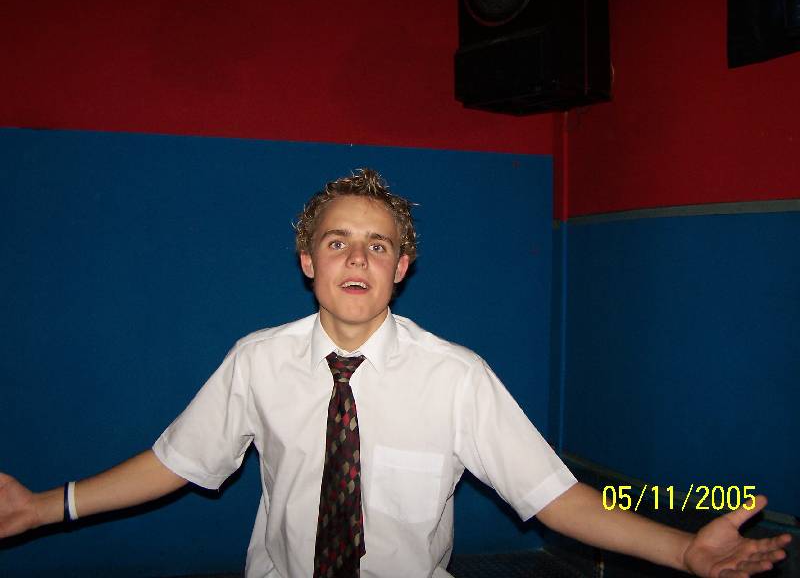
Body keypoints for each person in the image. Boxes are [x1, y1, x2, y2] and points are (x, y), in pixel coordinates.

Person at [0, 169, 791, 578]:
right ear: (308, 261)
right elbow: (175, 461)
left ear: (400, 268)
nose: (357, 257)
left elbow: (558, 498)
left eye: (377, 245)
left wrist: (682, 551)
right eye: (337, 241)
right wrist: (42, 507)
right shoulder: (257, 361)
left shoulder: (456, 378)